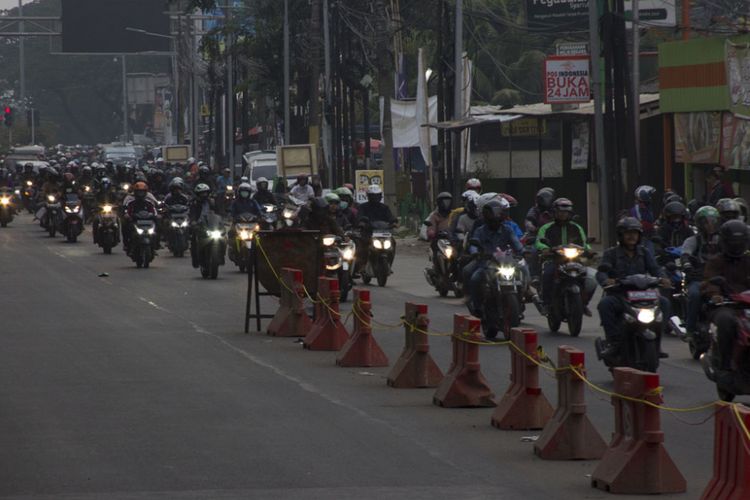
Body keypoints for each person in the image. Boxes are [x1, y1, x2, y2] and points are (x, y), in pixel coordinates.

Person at [596, 217, 672, 360]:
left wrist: (663, 278)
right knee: (604, 304)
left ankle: (657, 342)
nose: (632, 236)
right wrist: (606, 280)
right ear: (621, 235)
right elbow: (601, 272)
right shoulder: (611, 253)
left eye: (635, 233)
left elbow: (655, 269)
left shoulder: (644, 252)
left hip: (642, 295)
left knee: (665, 303)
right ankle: (613, 342)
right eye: (628, 233)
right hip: (620, 294)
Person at [701, 220, 750, 384]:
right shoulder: (716, 261)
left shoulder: (748, 261)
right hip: (727, 305)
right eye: (733, 242)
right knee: (726, 321)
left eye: (740, 242)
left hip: (747, 306)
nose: (736, 245)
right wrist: (716, 294)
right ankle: (725, 365)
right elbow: (709, 282)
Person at [466, 199, 523, 318]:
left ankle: (520, 304)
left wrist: (522, 251)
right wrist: (475, 253)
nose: (495, 218)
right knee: (475, 279)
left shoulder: (507, 229)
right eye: (492, 214)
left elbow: (516, 243)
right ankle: (477, 307)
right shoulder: (480, 231)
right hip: (487, 264)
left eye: (498, 214)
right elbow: (473, 245)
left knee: (521, 277)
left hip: (505, 263)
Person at [535, 198, 594, 314]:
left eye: (566, 212)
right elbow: (539, 242)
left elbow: (584, 242)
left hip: (575, 259)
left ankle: (584, 303)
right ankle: (546, 304)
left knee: (591, 278)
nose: (563, 214)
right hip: (554, 259)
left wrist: (589, 251)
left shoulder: (576, 227)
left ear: (570, 213)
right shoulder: (546, 228)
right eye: (560, 212)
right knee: (547, 274)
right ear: (554, 212)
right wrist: (545, 249)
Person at [681, 206, 722, 338]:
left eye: (713, 221)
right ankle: (690, 329)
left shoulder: (722, 241)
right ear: (699, 223)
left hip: (719, 278)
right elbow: (685, 255)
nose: (710, 225)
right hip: (699, 278)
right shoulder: (693, 240)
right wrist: (687, 266)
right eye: (706, 222)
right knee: (694, 295)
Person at [122, 182, 157, 253]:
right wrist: (127, 215)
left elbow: (154, 211)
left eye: (142, 192)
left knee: (157, 227)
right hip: (135, 222)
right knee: (125, 226)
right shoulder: (131, 202)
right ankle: (127, 244)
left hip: (147, 222)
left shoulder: (149, 202)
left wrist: (156, 216)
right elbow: (126, 210)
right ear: (135, 192)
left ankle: (156, 244)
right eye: (139, 192)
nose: (140, 194)